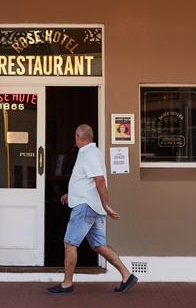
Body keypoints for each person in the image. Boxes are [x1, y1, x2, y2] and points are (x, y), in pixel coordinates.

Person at [47, 124, 137, 296]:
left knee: (70, 243)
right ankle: (127, 275)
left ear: (77, 136)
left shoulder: (89, 154)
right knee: (99, 245)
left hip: (86, 207)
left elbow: (100, 181)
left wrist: (106, 205)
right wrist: (70, 194)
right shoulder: (90, 152)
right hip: (89, 204)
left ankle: (67, 284)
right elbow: (86, 181)